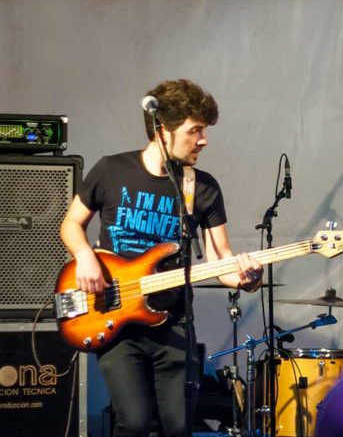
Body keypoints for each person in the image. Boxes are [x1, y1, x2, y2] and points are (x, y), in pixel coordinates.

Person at [59, 79, 263, 437]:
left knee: (179, 426)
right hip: (116, 318)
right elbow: (71, 224)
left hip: (175, 323)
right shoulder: (111, 170)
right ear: (163, 130)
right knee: (134, 423)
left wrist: (248, 278)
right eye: (195, 130)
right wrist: (85, 255)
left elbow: (223, 262)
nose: (204, 140)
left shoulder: (202, 187)